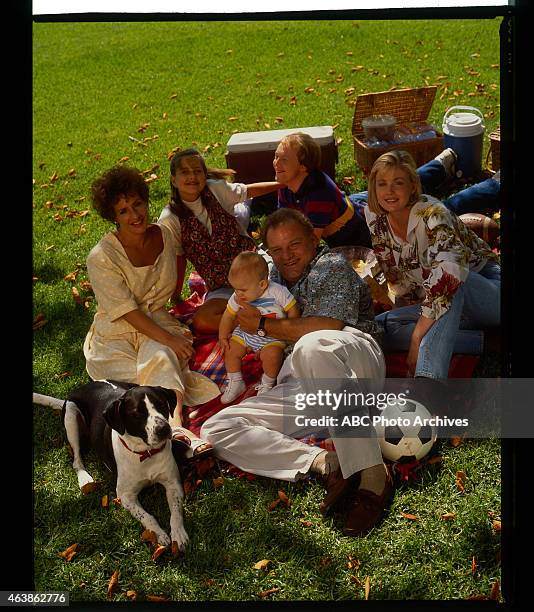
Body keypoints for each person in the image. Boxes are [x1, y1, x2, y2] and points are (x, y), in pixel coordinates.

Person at [201, 209, 394, 537]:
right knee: (217, 427)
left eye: (294, 245)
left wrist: (263, 325)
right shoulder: (268, 275)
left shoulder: (330, 265)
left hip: (353, 364)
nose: (286, 255)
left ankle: (374, 473)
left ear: (313, 240)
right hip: (304, 383)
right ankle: (323, 464)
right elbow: (236, 288)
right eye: (276, 249)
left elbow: (328, 326)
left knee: (311, 346)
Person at [84, 165, 221, 459]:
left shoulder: (166, 233)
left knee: (159, 358)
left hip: (157, 321)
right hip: (116, 330)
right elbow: (127, 311)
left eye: (137, 204)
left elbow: (179, 260)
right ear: (113, 216)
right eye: (123, 211)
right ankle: (172, 427)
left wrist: (176, 298)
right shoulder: (101, 257)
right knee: (134, 382)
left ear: (146, 201)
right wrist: (171, 341)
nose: (134, 215)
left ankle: (177, 428)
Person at [364, 150, 500, 385]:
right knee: (376, 329)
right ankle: (478, 341)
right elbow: (391, 268)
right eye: (382, 184)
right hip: (446, 304)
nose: (389, 191)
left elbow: (451, 274)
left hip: (488, 291)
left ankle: (428, 383)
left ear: (412, 186)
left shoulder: (434, 214)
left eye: (398, 183)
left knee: (448, 283)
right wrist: (411, 305)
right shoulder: (375, 216)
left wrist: (417, 336)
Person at [274, 132, 500, 248]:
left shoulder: (318, 196)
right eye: (276, 157)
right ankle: (440, 166)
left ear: (303, 167)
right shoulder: (287, 186)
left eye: (283, 159)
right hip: (352, 205)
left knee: (436, 211)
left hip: (359, 229)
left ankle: (494, 185)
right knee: (395, 183)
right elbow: (283, 221)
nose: (276, 163)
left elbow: (309, 243)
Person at [158, 148, 281, 335]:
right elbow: (179, 257)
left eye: (197, 171)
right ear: (173, 179)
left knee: (281, 298)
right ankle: (260, 323)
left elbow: (249, 190)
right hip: (223, 287)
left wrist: (282, 184)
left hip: (254, 270)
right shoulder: (169, 219)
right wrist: (175, 295)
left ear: (204, 175)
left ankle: (259, 320)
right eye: (185, 172)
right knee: (202, 320)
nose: (192, 176)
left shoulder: (215, 189)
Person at [218, 251, 300, 404]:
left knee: (273, 356)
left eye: (242, 290)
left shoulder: (277, 292)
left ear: (262, 284)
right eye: (234, 289)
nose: (237, 294)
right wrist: (222, 336)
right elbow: (228, 315)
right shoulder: (238, 297)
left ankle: (267, 384)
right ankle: (236, 381)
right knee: (230, 349)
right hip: (245, 333)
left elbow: (292, 309)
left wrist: (290, 332)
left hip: (272, 336)